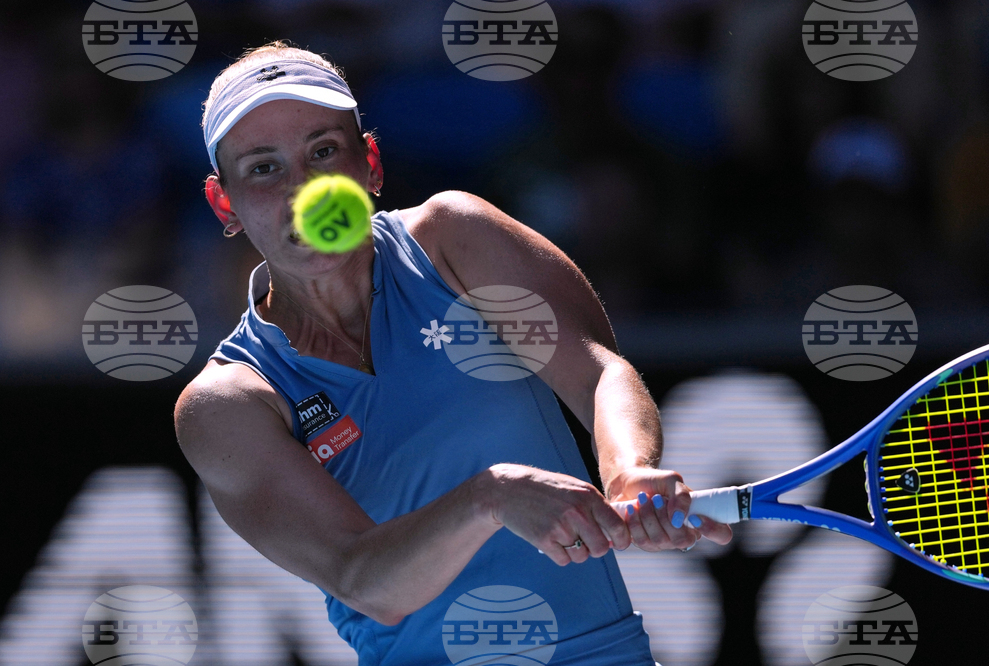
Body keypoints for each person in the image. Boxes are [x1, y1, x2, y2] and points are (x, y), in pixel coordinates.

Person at [174, 41, 731, 665]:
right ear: (225, 204)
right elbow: (365, 580)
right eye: (263, 168)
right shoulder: (229, 402)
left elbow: (598, 372)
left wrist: (627, 469)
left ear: (371, 164)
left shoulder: (455, 239)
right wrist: (490, 496)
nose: (303, 189)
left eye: (323, 151)